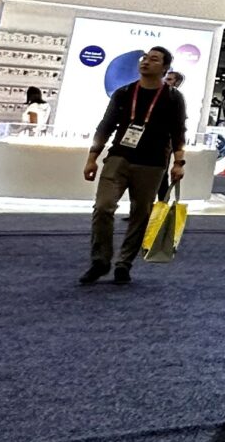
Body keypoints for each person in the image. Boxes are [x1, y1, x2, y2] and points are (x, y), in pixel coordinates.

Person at [80, 47, 187, 286]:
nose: (146, 62)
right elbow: (106, 126)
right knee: (103, 207)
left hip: (152, 163)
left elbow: (178, 131)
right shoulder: (124, 93)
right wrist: (92, 157)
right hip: (118, 157)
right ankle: (100, 260)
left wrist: (179, 162)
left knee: (141, 214)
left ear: (165, 68)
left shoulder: (172, 97)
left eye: (154, 59)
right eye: (145, 58)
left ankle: (124, 263)